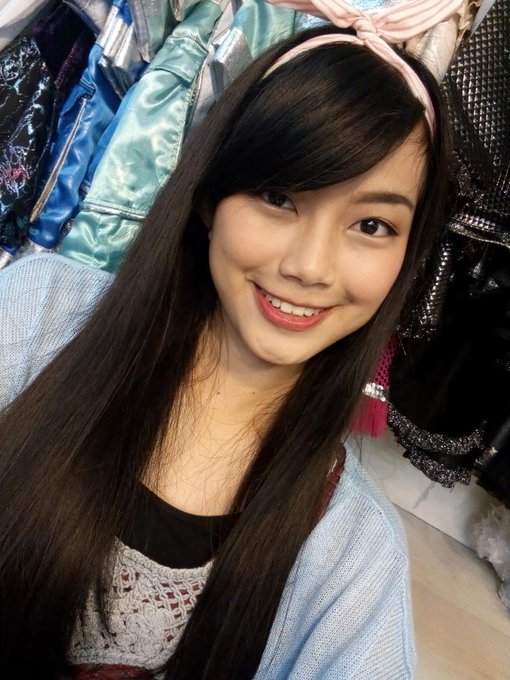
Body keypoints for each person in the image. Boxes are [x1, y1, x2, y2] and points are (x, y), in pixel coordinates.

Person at [0, 3, 455, 678]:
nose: (310, 267)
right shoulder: (37, 312)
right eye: (279, 197)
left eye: (372, 226)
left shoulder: (352, 552)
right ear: (211, 196)